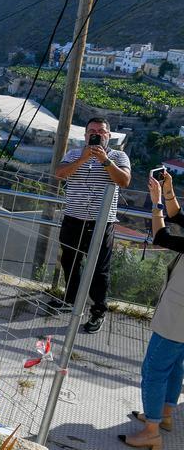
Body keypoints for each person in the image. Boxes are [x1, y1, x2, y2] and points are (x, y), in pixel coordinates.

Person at [119, 170, 184, 449]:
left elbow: (161, 236)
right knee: (174, 366)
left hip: (178, 315)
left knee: (154, 369)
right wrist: (168, 191)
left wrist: (156, 202)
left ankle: (152, 431)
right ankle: (165, 414)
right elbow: (179, 218)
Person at [54, 117, 130, 334]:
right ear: (85, 134)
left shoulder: (118, 156)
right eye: (92, 131)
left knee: (99, 270)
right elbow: (59, 173)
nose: (96, 134)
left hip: (101, 223)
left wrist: (104, 160)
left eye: (101, 131)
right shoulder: (74, 154)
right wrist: (83, 159)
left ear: (109, 135)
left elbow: (124, 181)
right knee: (70, 262)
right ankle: (70, 301)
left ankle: (98, 312)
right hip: (72, 219)